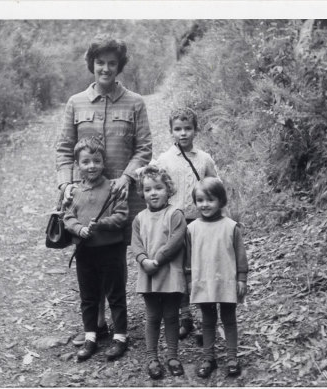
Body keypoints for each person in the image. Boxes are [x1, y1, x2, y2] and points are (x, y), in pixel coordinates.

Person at [55, 35, 152, 346]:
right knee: (87, 252)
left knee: (115, 254)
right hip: (83, 195)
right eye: (100, 63)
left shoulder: (135, 102)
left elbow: (144, 148)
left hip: (122, 195)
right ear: (92, 65)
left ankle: (118, 317)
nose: (106, 68)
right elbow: (64, 150)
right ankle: (95, 321)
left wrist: (126, 177)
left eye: (112, 63)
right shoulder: (75, 103)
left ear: (119, 66)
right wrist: (66, 183)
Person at [155, 107, 220, 340]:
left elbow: (215, 187)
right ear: (171, 131)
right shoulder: (164, 159)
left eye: (188, 128)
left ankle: (206, 322)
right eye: (178, 129)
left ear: (196, 130)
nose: (183, 134)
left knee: (202, 269)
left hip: (201, 222)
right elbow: (155, 185)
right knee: (179, 269)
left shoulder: (204, 159)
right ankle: (185, 317)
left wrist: (221, 216)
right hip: (175, 221)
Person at [63, 137, 129, 362]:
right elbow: (67, 216)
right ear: (78, 165)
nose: (91, 166)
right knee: (88, 296)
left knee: (115, 294)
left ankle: (120, 337)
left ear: (103, 162)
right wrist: (79, 229)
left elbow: (121, 216)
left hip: (110, 249)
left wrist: (102, 224)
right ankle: (91, 336)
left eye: (96, 161)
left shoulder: (112, 187)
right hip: (85, 251)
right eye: (86, 162)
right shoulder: (74, 192)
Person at [187, 177, 249, 378]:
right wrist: (188, 279)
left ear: (221, 201)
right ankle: (209, 357)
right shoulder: (192, 228)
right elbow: (187, 257)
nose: (204, 204)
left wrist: (242, 278)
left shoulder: (231, 227)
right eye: (200, 200)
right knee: (207, 320)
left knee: (229, 318)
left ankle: (232, 357)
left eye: (210, 200)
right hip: (203, 281)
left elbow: (240, 255)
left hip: (226, 281)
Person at [130, 165, 187, 379]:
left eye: (158, 188)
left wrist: (158, 259)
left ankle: (172, 356)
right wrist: (144, 260)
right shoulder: (139, 218)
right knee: (153, 317)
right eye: (148, 189)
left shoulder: (175, 214)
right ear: (142, 193)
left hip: (170, 273)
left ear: (168, 189)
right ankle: (152, 357)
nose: (153, 193)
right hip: (149, 274)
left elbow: (175, 241)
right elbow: (136, 244)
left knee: (172, 316)